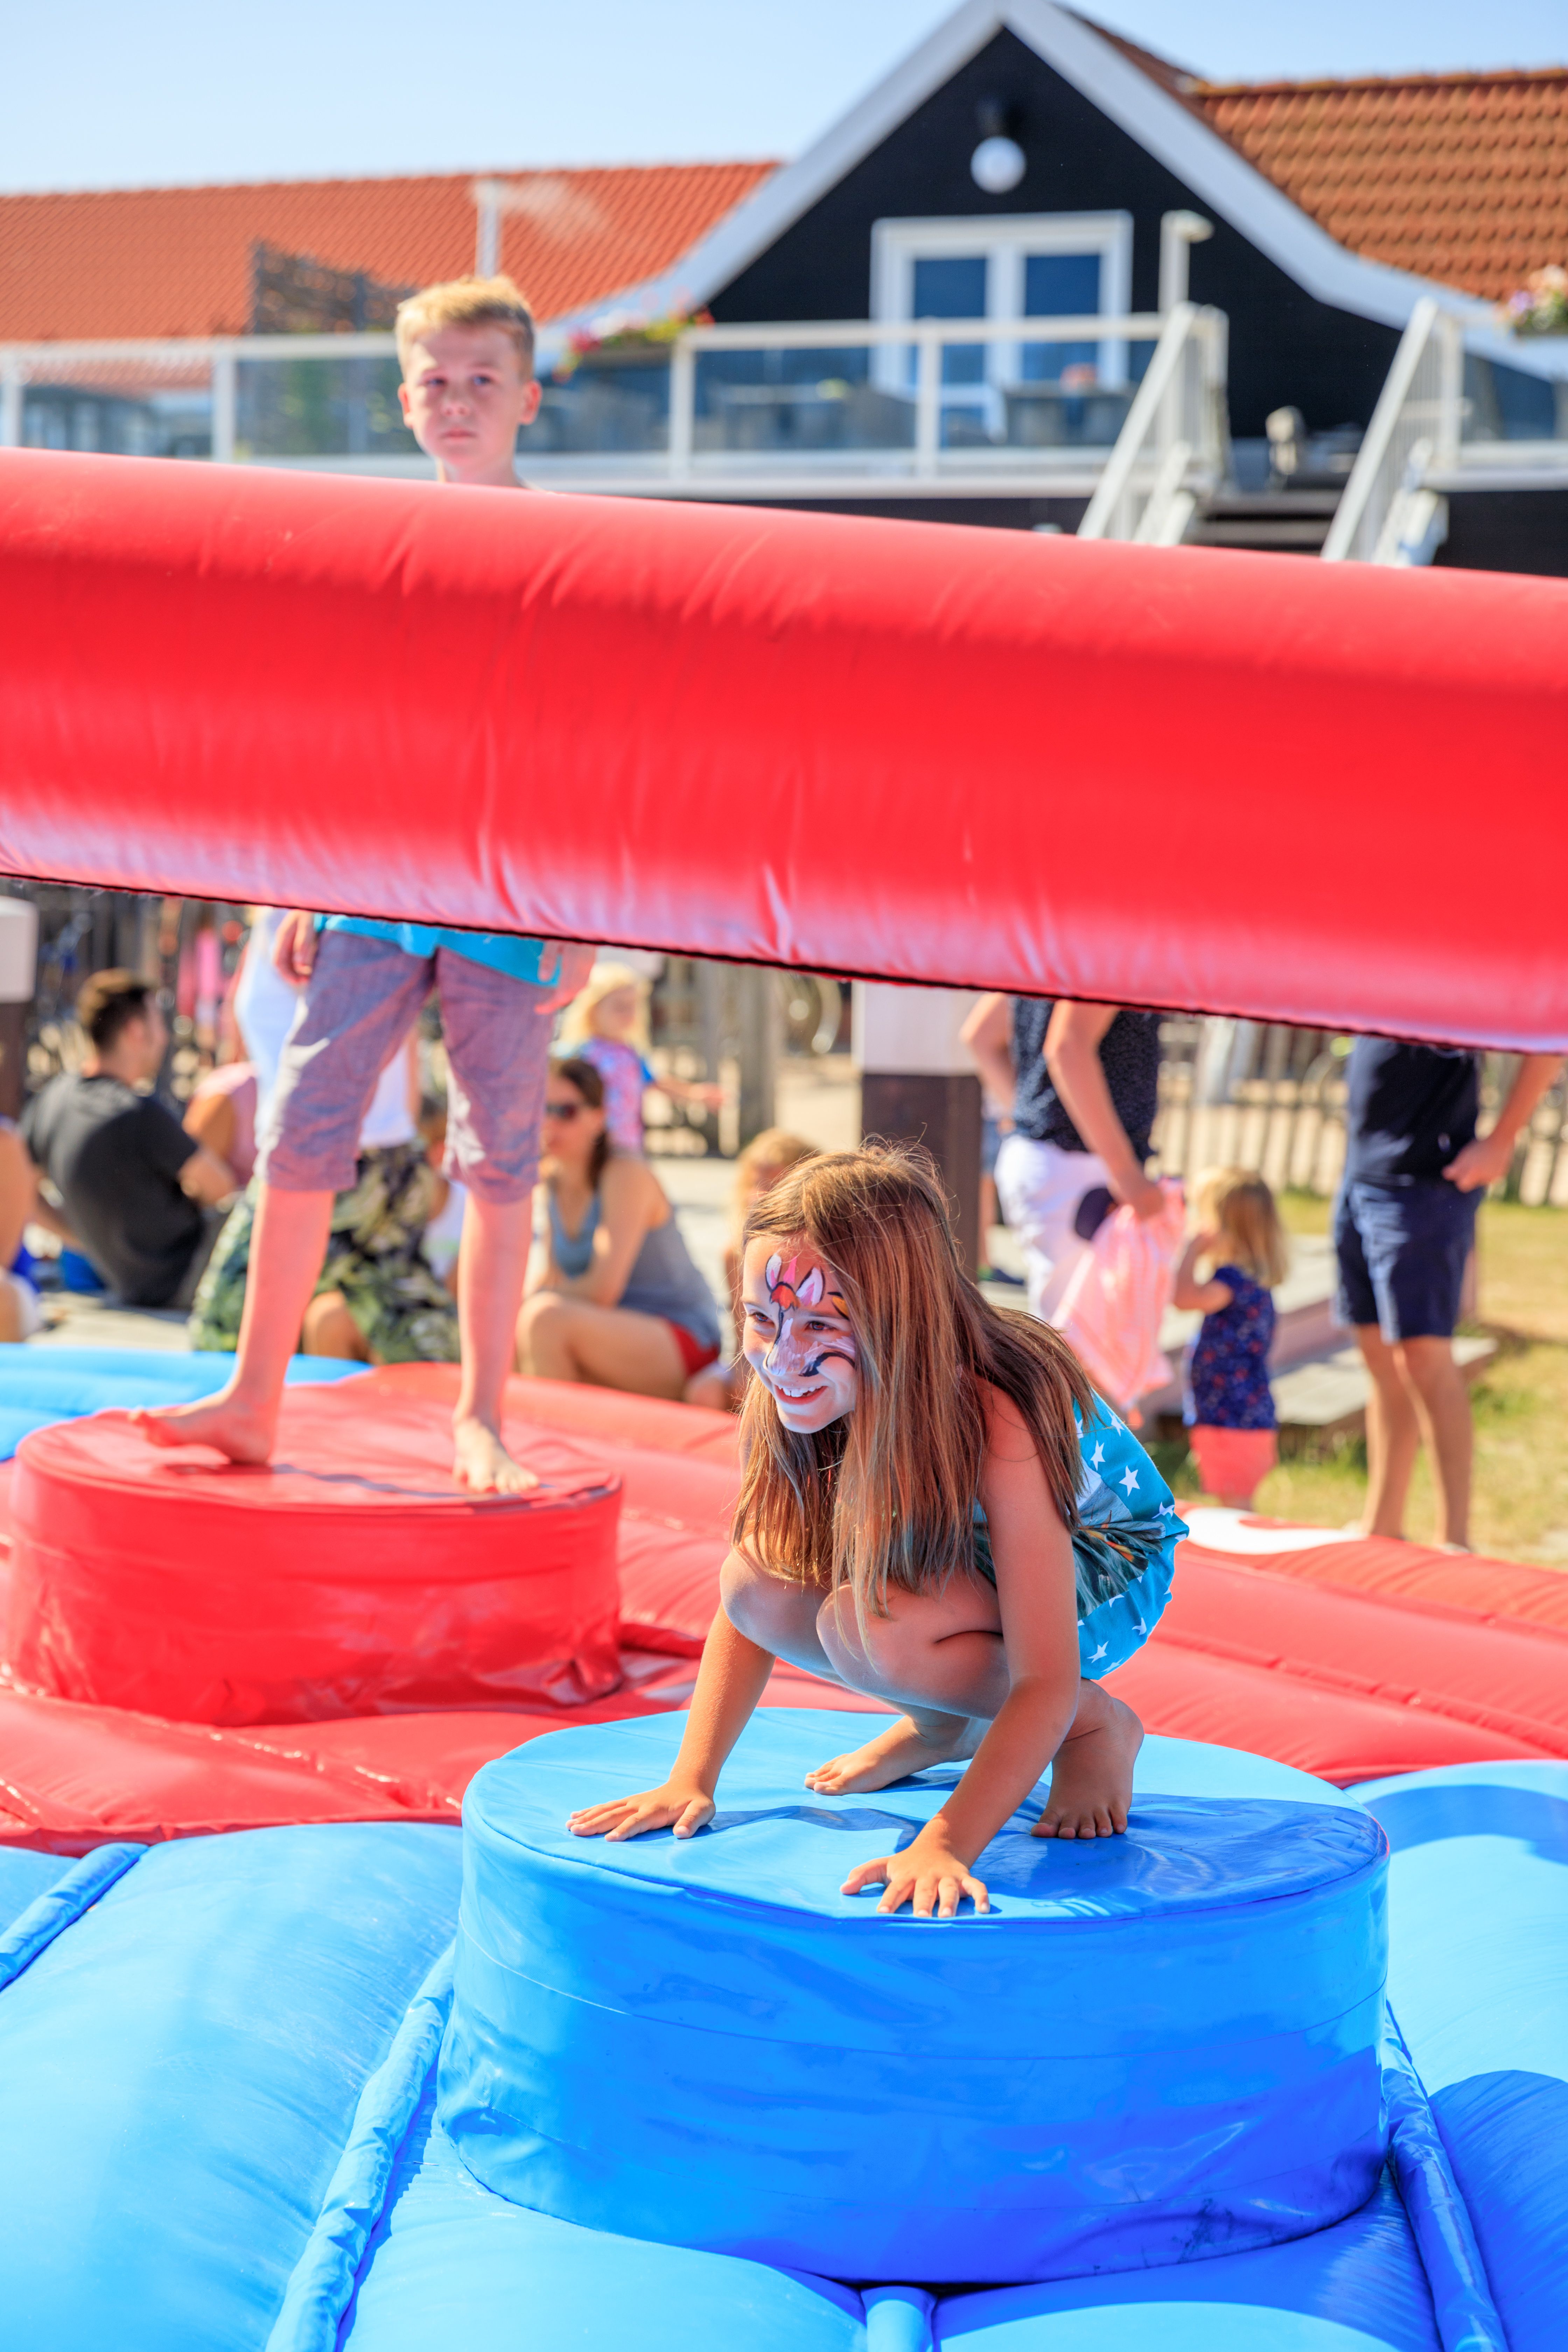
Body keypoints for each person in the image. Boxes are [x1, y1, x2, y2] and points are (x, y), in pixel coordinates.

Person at [134, 275, 592, 1489]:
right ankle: (251, 1396)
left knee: (498, 1159)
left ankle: (482, 1413)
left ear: (528, 399)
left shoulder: (565, 554)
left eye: (482, 381)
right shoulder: (385, 550)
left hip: (507, 899)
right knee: (300, 1128)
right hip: (377, 880)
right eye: (436, 383)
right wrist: (299, 885)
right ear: (403, 401)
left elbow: (583, 744)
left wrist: (588, 914)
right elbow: (344, 735)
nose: (457, 401)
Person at [566, 1147, 1184, 1920]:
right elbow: (746, 1607)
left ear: (902, 1319)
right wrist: (692, 1778)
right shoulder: (800, 1391)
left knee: (873, 1627)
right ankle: (942, 1727)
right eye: (762, 1319)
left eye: (821, 1322)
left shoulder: (994, 1413)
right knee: (757, 1584)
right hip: (964, 1543)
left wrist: (946, 1841)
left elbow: (1041, 1673)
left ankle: (1099, 1728)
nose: (784, 1357)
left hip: (1105, 1556)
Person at [187, 912, 457, 1364]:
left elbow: (380, 1025)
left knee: (223, 1328)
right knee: (406, 1320)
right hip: (364, 1153)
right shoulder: (279, 920)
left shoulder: (323, 913)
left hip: (338, 1156)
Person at [1335, 1037, 1563, 1552]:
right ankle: (1382, 1523)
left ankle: (1455, 1541)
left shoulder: (1470, 965)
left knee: (1423, 1355)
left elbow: (1549, 1035)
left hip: (1425, 1180)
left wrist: (1503, 1139)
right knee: (1377, 1354)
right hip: (1362, 1171)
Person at [21, 970, 236, 1310]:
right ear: (136, 1031)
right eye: (159, 1023)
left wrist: (86, 1239)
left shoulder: (52, 1099)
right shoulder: (137, 1112)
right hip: (193, 1280)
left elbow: (21, 1191)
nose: (165, 1038)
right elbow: (221, 1187)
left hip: (128, 1284)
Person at [517, 1056, 722, 1397]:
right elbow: (551, 1276)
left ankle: (555, 1445)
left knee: (543, 1320)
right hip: (613, 1332)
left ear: (599, 1118)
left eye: (565, 1112)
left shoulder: (625, 1173)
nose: (549, 1123)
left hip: (682, 1337)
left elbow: (602, 1289)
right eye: (541, 1109)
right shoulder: (553, 1178)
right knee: (508, 1325)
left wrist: (534, 1303)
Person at [965, 993, 1164, 1323]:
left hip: (1051, 1156)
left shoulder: (1053, 954)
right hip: (1077, 1163)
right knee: (1079, 1342)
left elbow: (982, 1037)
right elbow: (1067, 1047)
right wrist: (1124, 1170)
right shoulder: (1108, 948)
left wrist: (1027, 1114)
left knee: (1073, 1334)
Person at [1173, 1167, 1289, 1509]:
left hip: (1231, 1417)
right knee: (1232, 1501)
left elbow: (1182, 1297)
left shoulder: (1232, 1282)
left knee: (1235, 1508)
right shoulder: (1252, 1280)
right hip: (1238, 1415)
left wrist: (1191, 1251)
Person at [685, 1126, 820, 1411]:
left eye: (772, 1185)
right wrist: (745, 1374)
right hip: (760, 1356)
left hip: (807, 1358)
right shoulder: (735, 1255)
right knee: (705, 1390)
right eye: (755, 1184)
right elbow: (743, 1337)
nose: (759, 1195)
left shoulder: (819, 1258)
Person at [558, 964, 724, 1154]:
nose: (628, 1014)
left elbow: (657, 1083)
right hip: (589, 1146)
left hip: (627, 1144)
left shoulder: (631, 1054)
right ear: (593, 1009)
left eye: (632, 1007)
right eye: (620, 1007)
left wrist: (696, 1094)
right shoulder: (579, 1053)